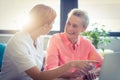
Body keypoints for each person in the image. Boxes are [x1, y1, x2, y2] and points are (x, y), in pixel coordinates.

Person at [0, 4, 98, 80]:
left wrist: (74, 74)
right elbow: (38, 76)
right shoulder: (19, 42)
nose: (52, 26)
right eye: (52, 22)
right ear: (44, 25)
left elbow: (40, 68)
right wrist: (72, 64)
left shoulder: (38, 39)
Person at [45, 9, 103, 80]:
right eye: (68, 23)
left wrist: (93, 72)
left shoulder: (86, 43)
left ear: (83, 29)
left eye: (74, 26)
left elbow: (103, 65)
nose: (69, 28)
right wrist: (71, 75)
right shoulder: (55, 40)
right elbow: (50, 70)